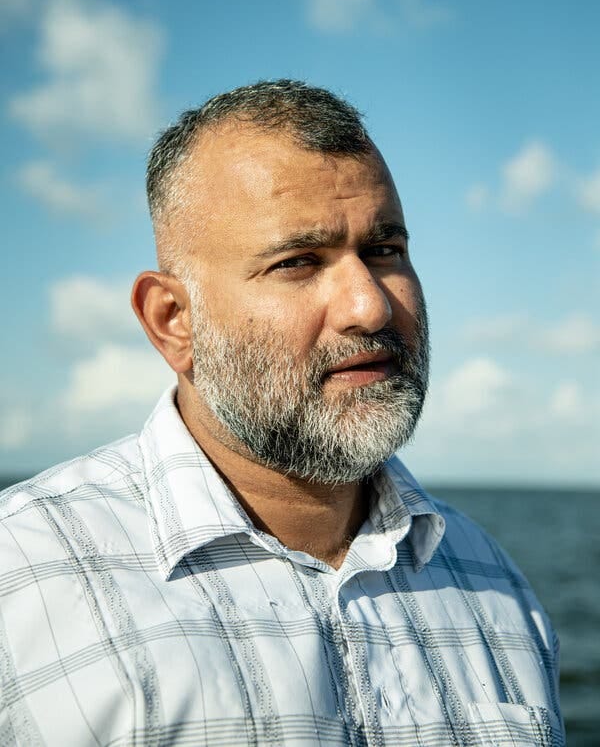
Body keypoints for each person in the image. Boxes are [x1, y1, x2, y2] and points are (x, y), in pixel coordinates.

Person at [0, 80, 564, 746]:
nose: (370, 307)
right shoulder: (23, 581)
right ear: (174, 321)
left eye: (385, 251)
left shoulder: (493, 582)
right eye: (298, 262)